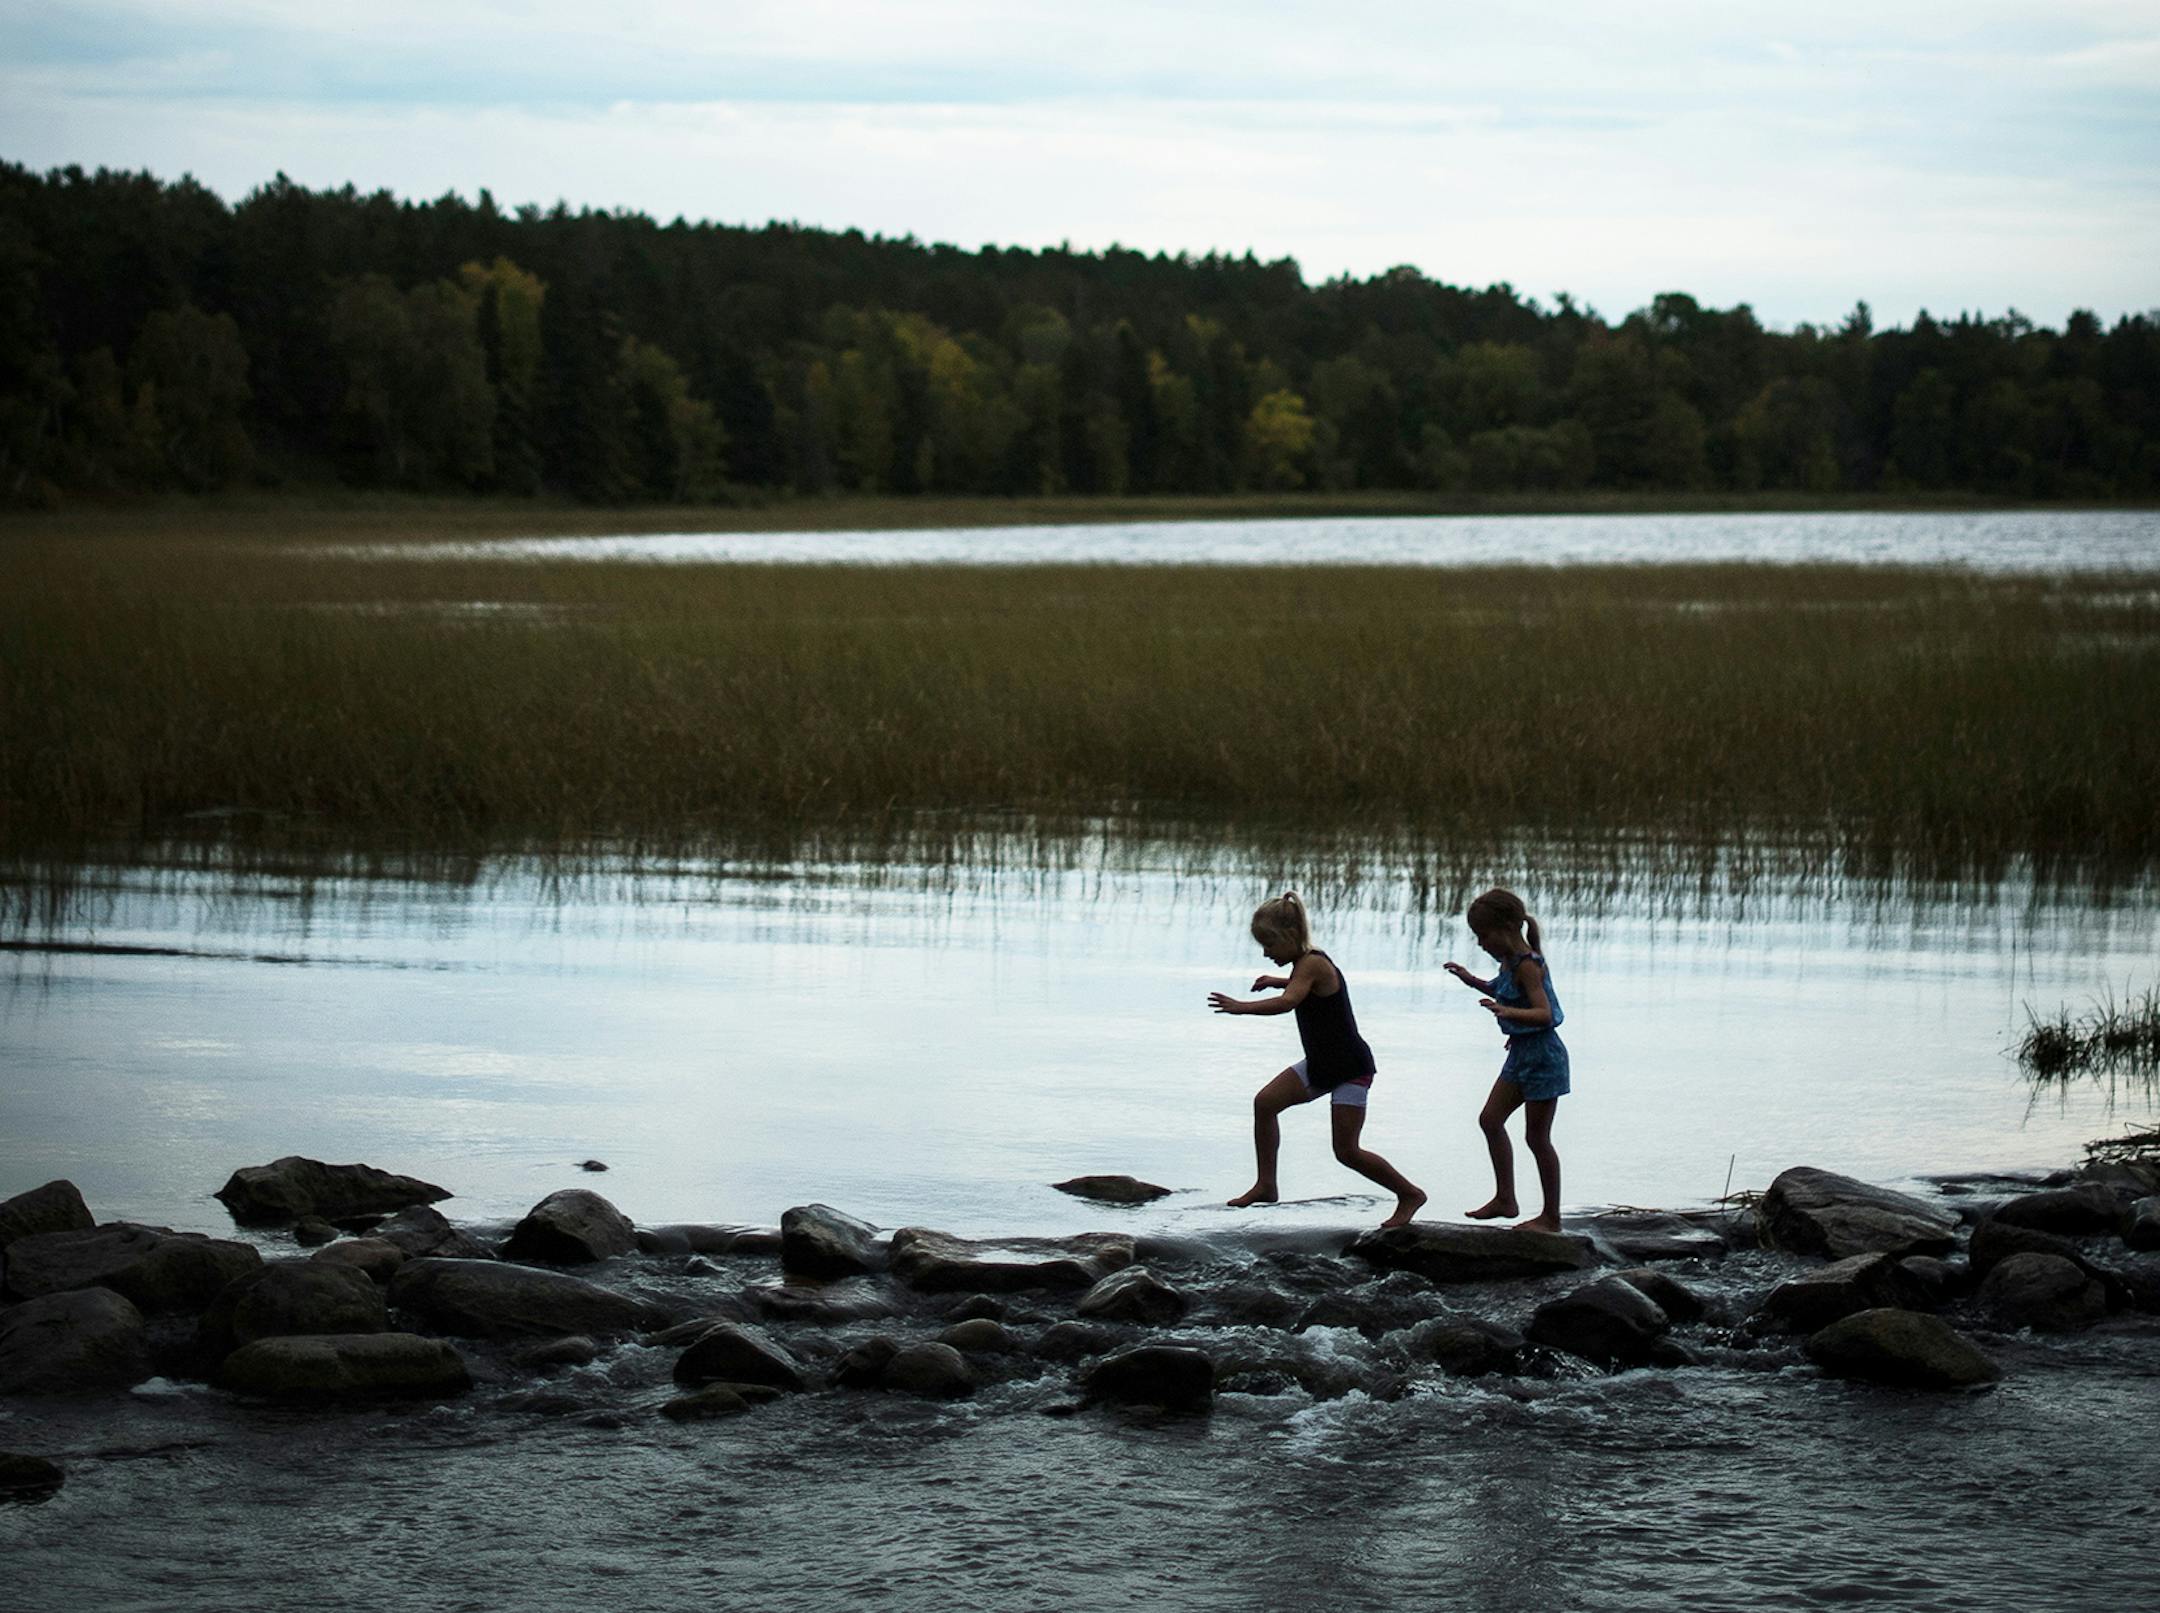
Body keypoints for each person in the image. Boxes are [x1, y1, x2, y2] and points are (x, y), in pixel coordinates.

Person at [1208, 891, 1426, 1228]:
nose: (1265, 953)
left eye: (1269, 944)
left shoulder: (1313, 962)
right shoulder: (1304, 966)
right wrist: (1277, 980)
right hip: (1322, 1064)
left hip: (1351, 1068)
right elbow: (1302, 987)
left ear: (1291, 936)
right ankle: (1266, 1184)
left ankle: (1409, 1194)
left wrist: (1241, 1007)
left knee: (1347, 1151)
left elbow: (1290, 1001)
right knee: (1265, 1103)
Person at [1443, 887, 1568, 1233]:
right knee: (1490, 1119)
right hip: (1520, 1055)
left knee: (1537, 1137)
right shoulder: (1508, 963)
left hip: (1544, 1058)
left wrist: (1506, 1011)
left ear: (1508, 928)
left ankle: (1551, 1218)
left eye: (1484, 935)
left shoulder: (1529, 966)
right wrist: (1472, 981)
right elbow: (1501, 989)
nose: (1481, 943)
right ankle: (1505, 1199)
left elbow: (1544, 1014)